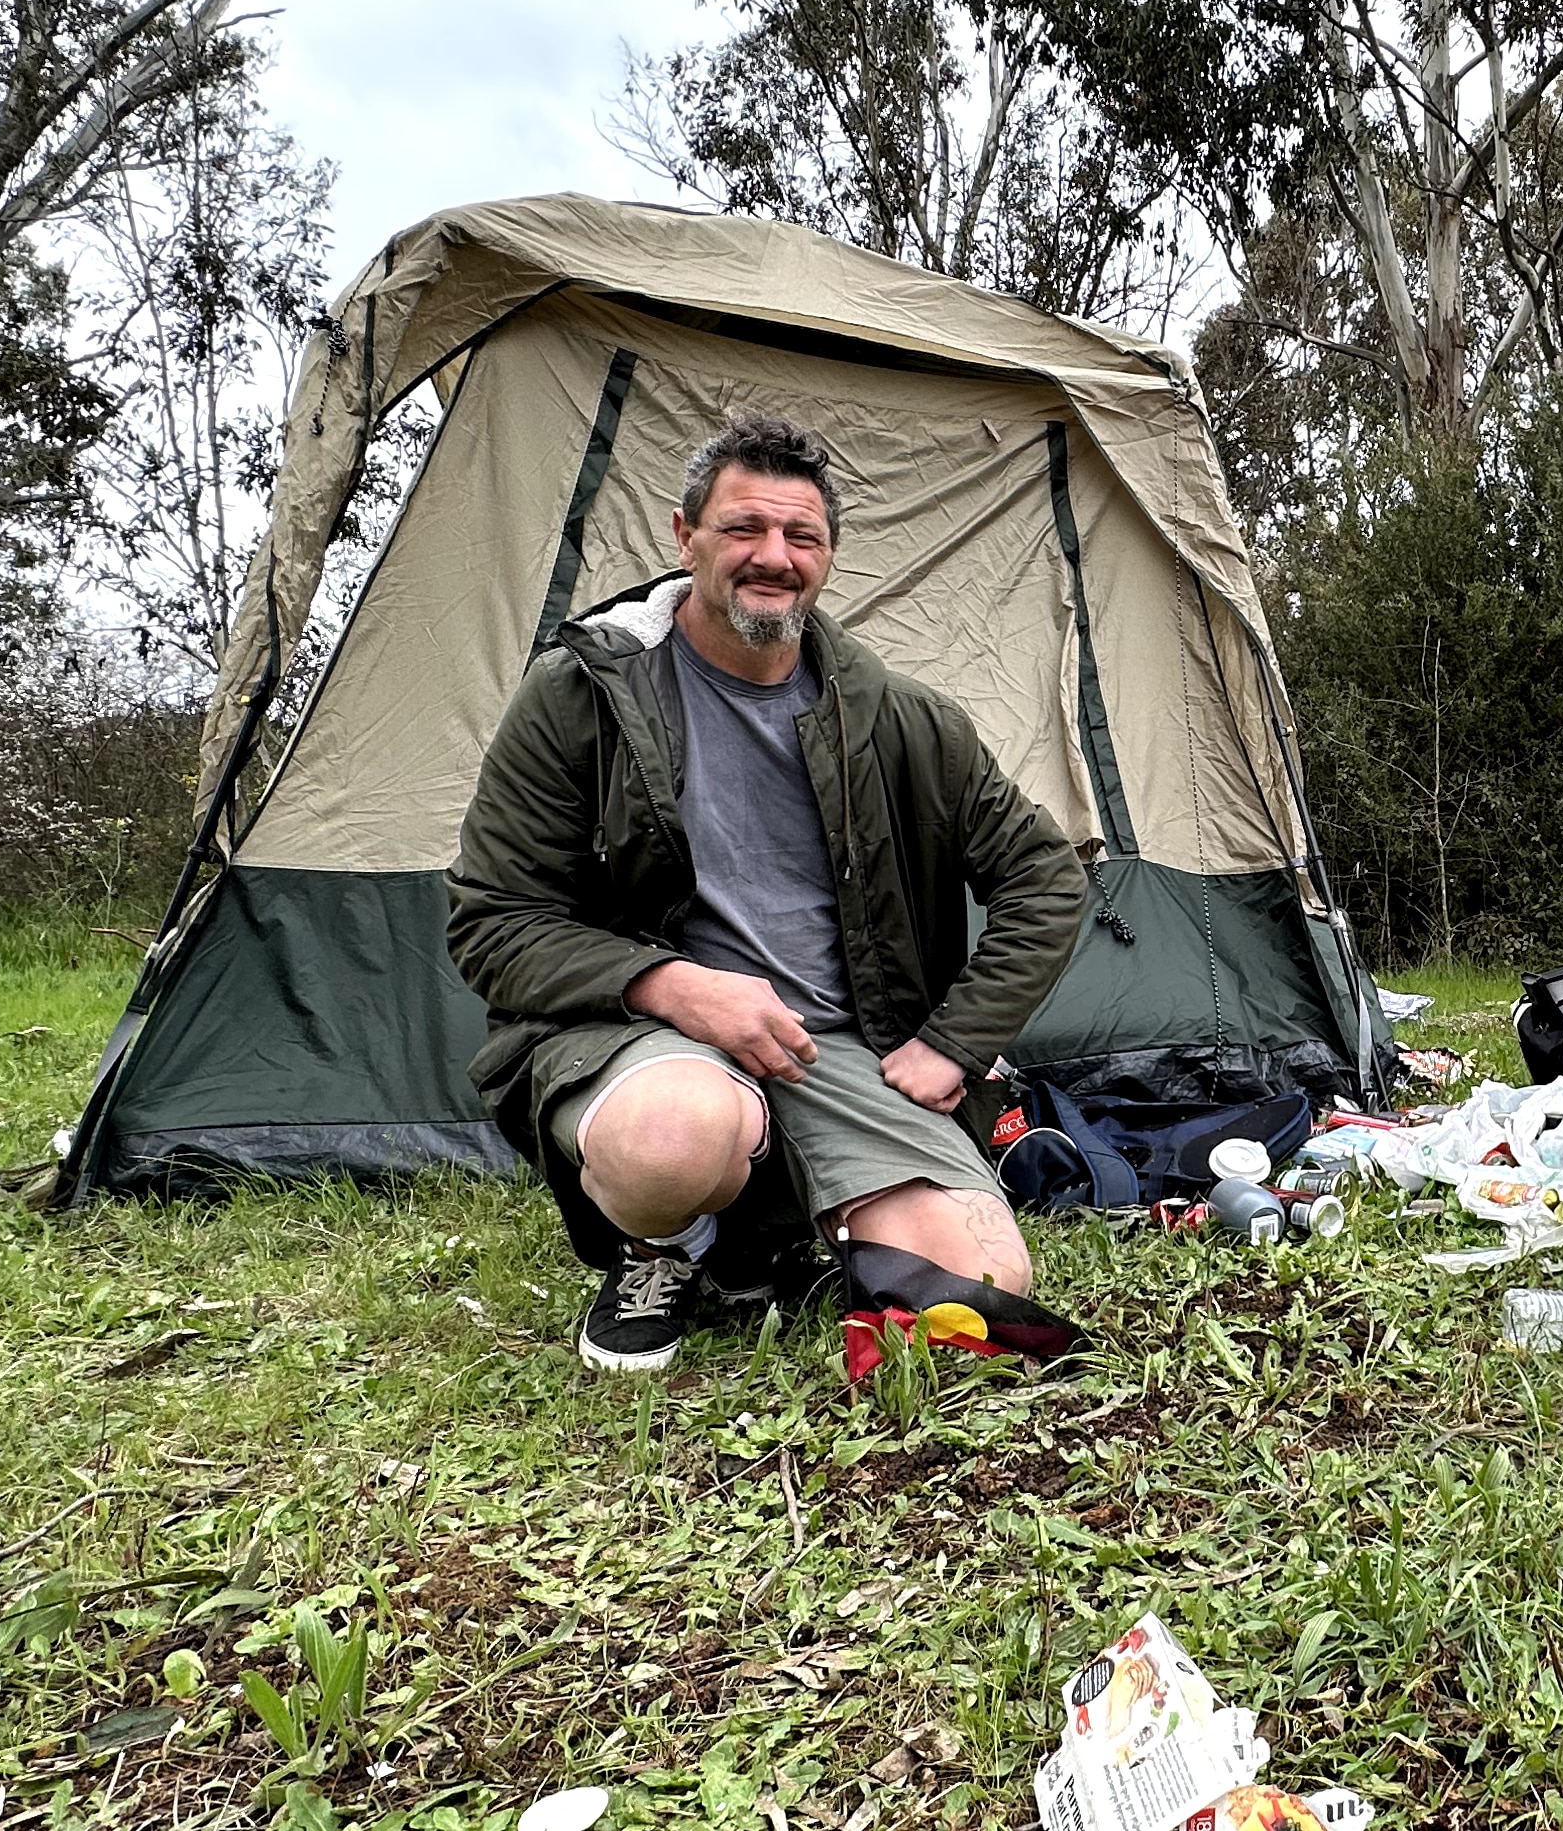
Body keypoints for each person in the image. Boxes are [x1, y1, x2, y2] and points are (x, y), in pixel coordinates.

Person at [448, 408, 1089, 1372]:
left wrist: (954, 1042)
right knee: (676, 1140)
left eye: (802, 536)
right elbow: (495, 922)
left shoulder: (900, 719)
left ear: (827, 558)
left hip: (831, 1044)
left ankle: (759, 1235)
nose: (772, 557)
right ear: (685, 536)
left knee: (987, 1284)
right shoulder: (581, 696)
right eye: (743, 528)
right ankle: (662, 1245)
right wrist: (673, 985)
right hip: (643, 1035)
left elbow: (1044, 876)